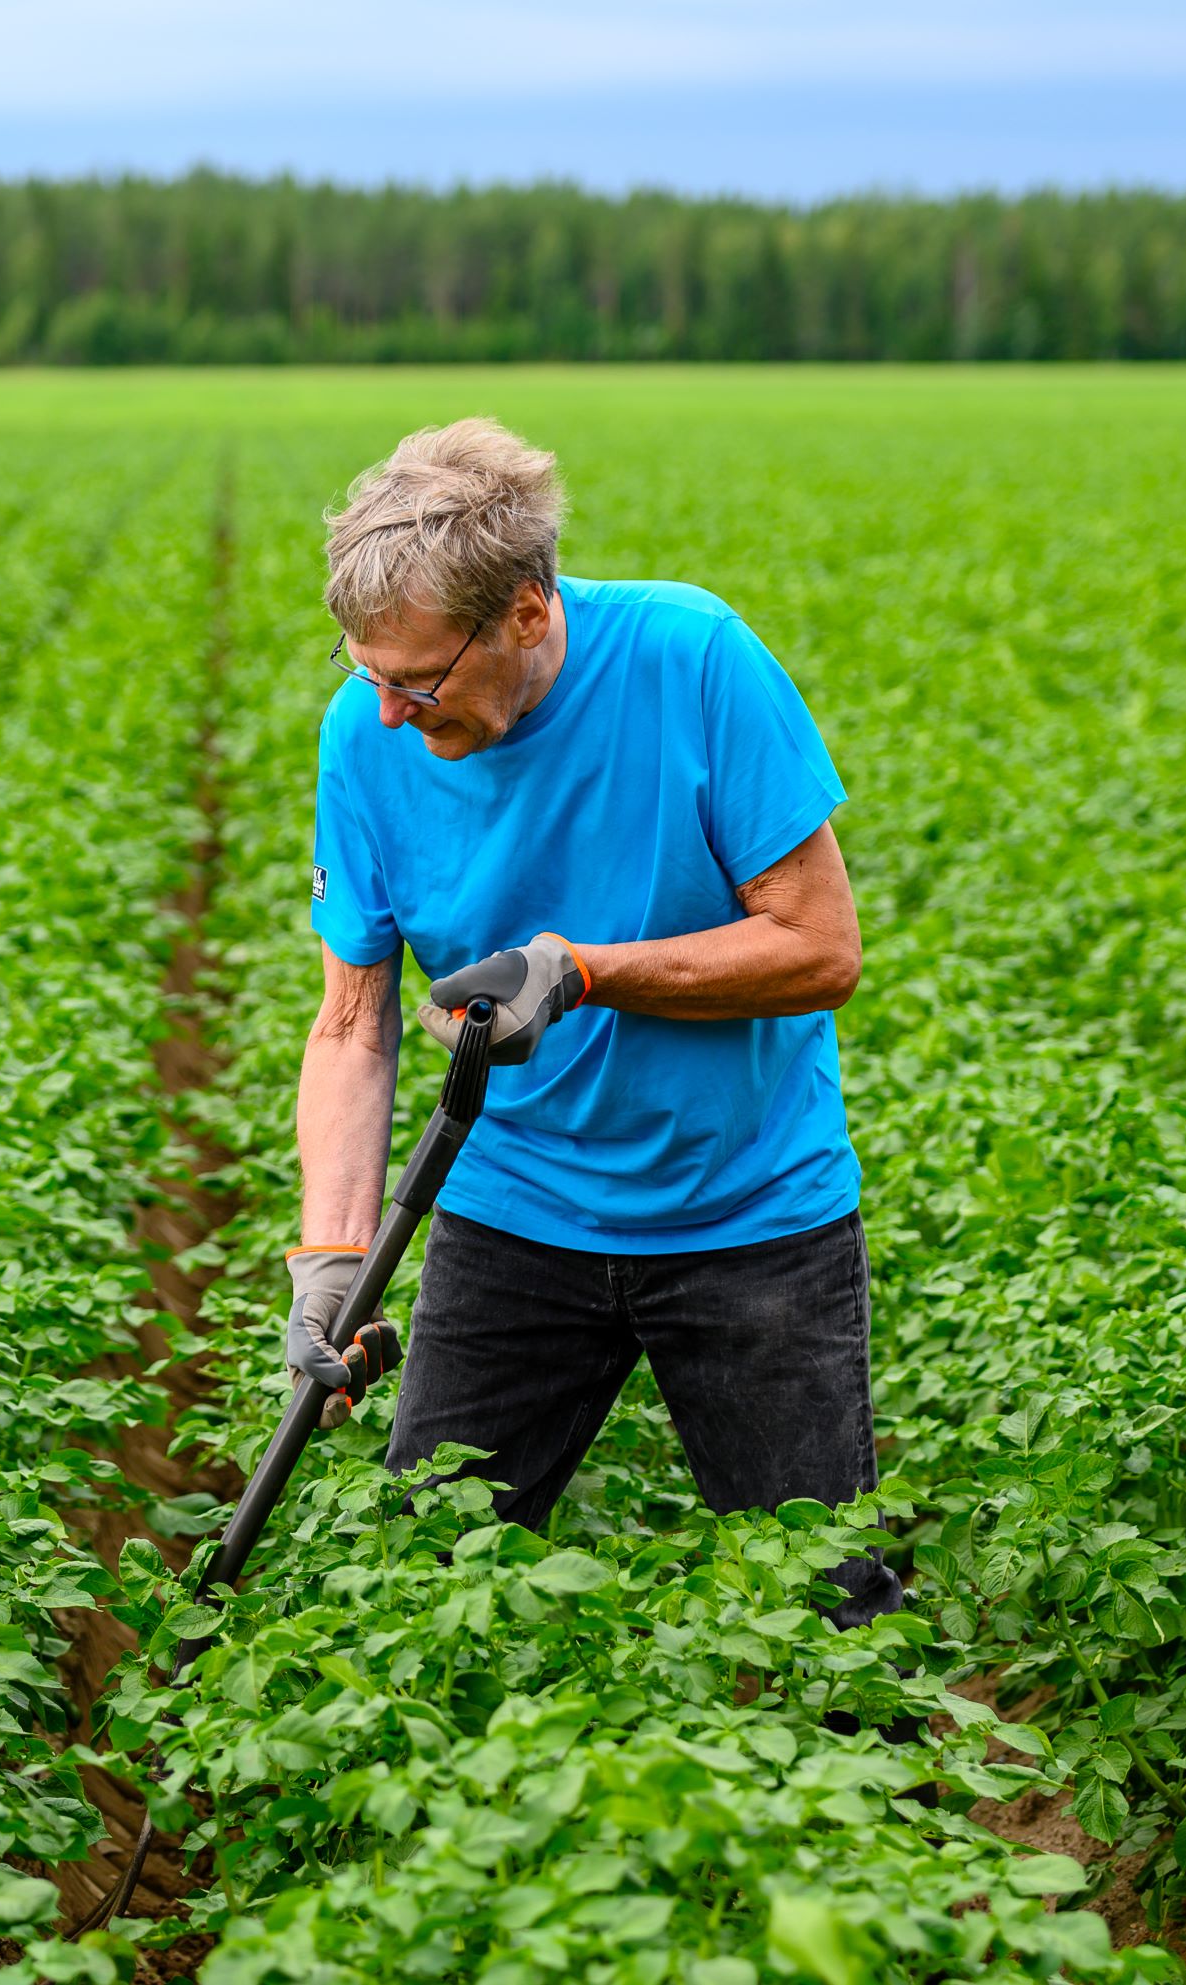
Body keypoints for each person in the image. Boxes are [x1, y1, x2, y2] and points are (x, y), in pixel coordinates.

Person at [284, 417, 900, 1626]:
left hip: (748, 1214)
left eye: (420, 680)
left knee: (830, 1613)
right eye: (369, 673)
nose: (393, 712)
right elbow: (352, 1022)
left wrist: (582, 972)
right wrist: (332, 1260)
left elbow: (820, 948)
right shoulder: (364, 735)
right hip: (512, 1209)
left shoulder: (693, 660)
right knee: (427, 1591)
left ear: (525, 610)